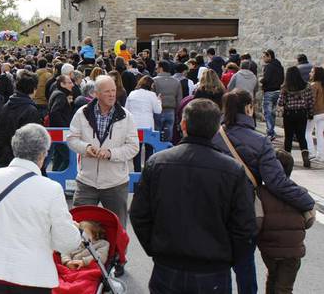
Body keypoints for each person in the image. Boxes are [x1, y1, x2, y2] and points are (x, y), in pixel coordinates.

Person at [130, 99, 257, 294]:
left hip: (168, 262)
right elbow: (245, 225)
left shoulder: (158, 163)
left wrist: (156, 247)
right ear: (217, 129)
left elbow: (140, 214)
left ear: (183, 125)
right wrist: (228, 256)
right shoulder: (232, 169)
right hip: (213, 265)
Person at [212, 89, 315, 294]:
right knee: (245, 266)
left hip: (214, 209)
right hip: (245, 210)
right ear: (248, 108)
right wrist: (305, 200)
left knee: (218, 265)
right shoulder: (259, 141)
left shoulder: (214, 137)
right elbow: (277, 182)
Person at [0, 124, 83, 293]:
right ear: (43, 154)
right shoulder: (51, 188)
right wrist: (76, 231)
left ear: (15, 148)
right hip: (32, 275)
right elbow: (65, 242)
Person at [67, 75, 139, 236]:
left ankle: (118, 261)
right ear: (96, 93)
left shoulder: (126, 116)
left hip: (115, 183)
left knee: (117, 231)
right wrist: (86, 148)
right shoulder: (82, 113)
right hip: (86, 181)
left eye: (114, 90)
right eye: (107, 91)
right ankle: (81, 260)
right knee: (78, 227)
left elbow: (133, 147)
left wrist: (110, 153)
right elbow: (71, 139)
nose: (112, 95)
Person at [257, 150, 315, 294]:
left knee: (272, 278)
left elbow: (257, 221)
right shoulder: (300, 192)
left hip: (269, 248)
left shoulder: (260, 193)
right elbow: (310, 220)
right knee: (284, 287)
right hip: (293, 250)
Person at [0, 71, 42, 167]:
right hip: (24, 159)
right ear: (33, 89)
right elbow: (32, 139)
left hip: (5, 156)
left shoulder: (7, 105)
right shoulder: (30, 110)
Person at [278, 66, 315, 167]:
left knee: (288, 137)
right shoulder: (306, 86)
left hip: (289, 114)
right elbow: (310, 101)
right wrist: (310, 113)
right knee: (302, 136)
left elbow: (280, 102)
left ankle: (287, 161)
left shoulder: (285, 87)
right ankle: (305, 158)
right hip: (302, 114)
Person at [125, 76, 162, 172]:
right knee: (149, 148)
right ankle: (147, 170)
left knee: (137, 149)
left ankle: (137, 171)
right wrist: (159, 100)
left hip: (135, 125)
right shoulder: (152, 95)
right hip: (148, 125)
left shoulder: (132, 93)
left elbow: (126, 109)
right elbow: (158, 110)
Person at [47, 75, 75, 173]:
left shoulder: (57, 93)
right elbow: (55, 112)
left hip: (58, 131)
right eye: (70, 83)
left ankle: (54, 178)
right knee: (68, 158)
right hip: (61, 131)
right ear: (62, 84)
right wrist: (64, 127)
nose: (72, 85)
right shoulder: (61, 95)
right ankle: (57, 178)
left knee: (59, 157)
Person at [153, 61, 182, 142]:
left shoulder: (154, 81)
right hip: (171, 111)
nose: (156, 69)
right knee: (169, 134)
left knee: (157, 134)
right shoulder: (176, 81)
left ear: (161, 68)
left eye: (157, 68)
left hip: (158, 111)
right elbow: (179, 99)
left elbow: (152, 97)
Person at [262, 49, 285, 141]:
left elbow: (266, 79)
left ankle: (270, 133)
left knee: (268, 113)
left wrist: (261, 80)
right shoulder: (280, 66)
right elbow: (282, 79)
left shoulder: (269, 66)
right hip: (277, 91)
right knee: (272, 113)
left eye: (264, 56)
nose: (263, 58)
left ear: (269, 56)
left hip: (269, 92)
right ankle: (272, 131)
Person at [305, 67, 324, 161]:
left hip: (315, 112)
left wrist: (308, 111)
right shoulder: (322, 85)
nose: (310, 73)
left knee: (307, 132)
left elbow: (311, 101)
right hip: (323, 113)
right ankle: (321, 155)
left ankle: (311, 152)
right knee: (320, 134)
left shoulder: (314, 85)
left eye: (312, 72)